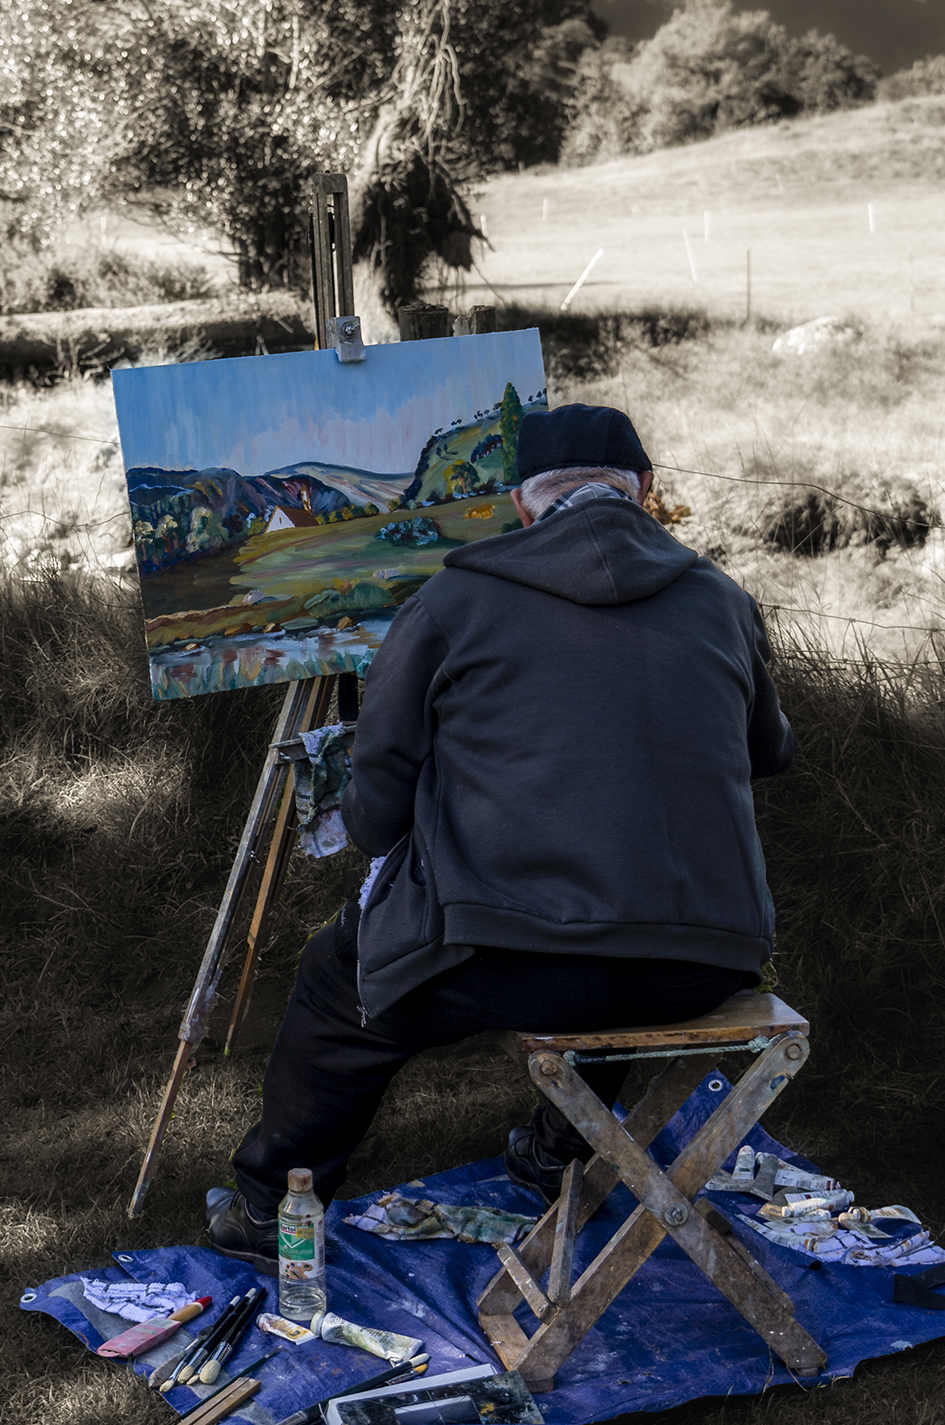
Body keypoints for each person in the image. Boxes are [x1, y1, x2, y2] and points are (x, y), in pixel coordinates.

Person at [207, 402, 794, 1270]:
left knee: (342, 986)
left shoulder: (453, 601)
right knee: (612, 925)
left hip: (509, 959)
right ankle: (560, 1154)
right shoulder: (722, 600)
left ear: (520, 503)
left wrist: (379, 834)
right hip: (702, 959)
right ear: (645, 490)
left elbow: (379, 791)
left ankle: (271, 1210)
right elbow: (769, 751)